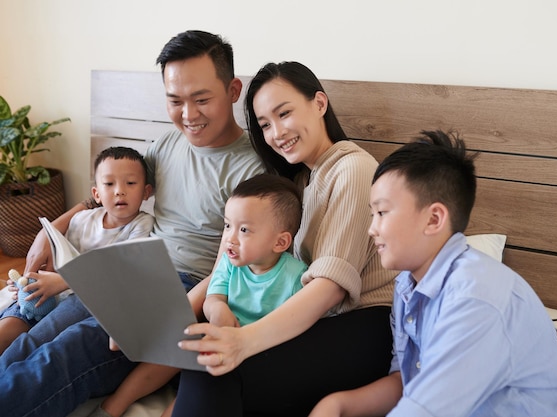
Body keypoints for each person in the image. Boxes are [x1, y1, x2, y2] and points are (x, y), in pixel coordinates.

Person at [0, 30, 264, 417]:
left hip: (183, 286)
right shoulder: (168, 145)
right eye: (175, 101)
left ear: (233, 90)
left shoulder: (252, 169)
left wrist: (169, 315)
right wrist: (48, 230)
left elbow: (239, 262)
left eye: (202, 99)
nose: (188, 115)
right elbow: (106, 194)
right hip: (124, 270)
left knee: (64, 353)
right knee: (33, 340)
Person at [309, 130, 557, 417]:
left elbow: (424, 410)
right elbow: (407, 384)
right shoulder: (407, 286)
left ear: (434, 218)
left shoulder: (475, 297)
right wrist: (339, 404)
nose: (372, 228)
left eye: (382, 213)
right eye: (372, 214)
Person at [171, 61, 396, 417]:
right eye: (264, 124)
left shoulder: (353, 169)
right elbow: (229, 263)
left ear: (319, 104)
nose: (275, 133)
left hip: (363, 326)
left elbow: (329, 289)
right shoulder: (301, 183)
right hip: (321, 321)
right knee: (205, 361)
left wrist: (243, 341)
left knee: (213, 369)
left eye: (284, 113)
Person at [92, 173, 307, 417]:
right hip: (220, 336)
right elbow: (213, 297)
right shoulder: (230, 262)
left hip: (256, 353)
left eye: (244, 229)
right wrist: (219, 310)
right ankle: (116, 403)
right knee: (180, 345)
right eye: (227, 226)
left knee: (198, 379)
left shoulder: (295, 277)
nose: (230, 238)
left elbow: (299, 325)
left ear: (280, 242)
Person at [0, 146, 154, 354]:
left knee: (35, 344)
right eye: (109, 184)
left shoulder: (143, 224)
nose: (119, 190)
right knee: (8, 327)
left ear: (146, 192)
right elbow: (58, 258)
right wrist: (28, 280)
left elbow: (123, 266)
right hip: (47, 296)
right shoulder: (81, 219)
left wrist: (63, 282)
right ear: (96, 194)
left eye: (130, 183)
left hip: (80, 302)